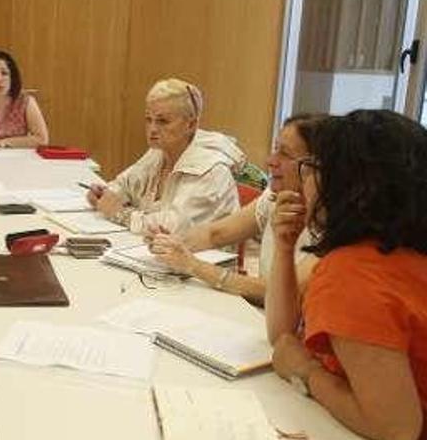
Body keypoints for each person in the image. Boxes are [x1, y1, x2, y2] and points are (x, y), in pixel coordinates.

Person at [269, 110, 427, 440]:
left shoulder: (351, 271)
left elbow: (397, 430)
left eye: (311, 169)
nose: (305, 181)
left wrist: (306, 372)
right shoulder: (400, 252)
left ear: (347, 187)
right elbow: (284, 338)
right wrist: (284, 249)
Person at [147, 114, 324, 303]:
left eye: (285, 154)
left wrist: (193, 265)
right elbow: (216, 233)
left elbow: (283, 291)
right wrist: (170, 243)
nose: (270, 160)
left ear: (315, 167)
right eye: (275, 149)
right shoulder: (274, 198)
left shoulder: (336, 224)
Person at [86, 78, 244, 234]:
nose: (152, 129)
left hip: (202, 256)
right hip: (157, 251)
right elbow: (124, 185)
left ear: (191, 125)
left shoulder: (211, 170)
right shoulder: (159, 152)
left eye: (163, 121)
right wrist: (104, 195)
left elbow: (173, 227)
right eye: (149, 119)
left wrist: (121, 214)